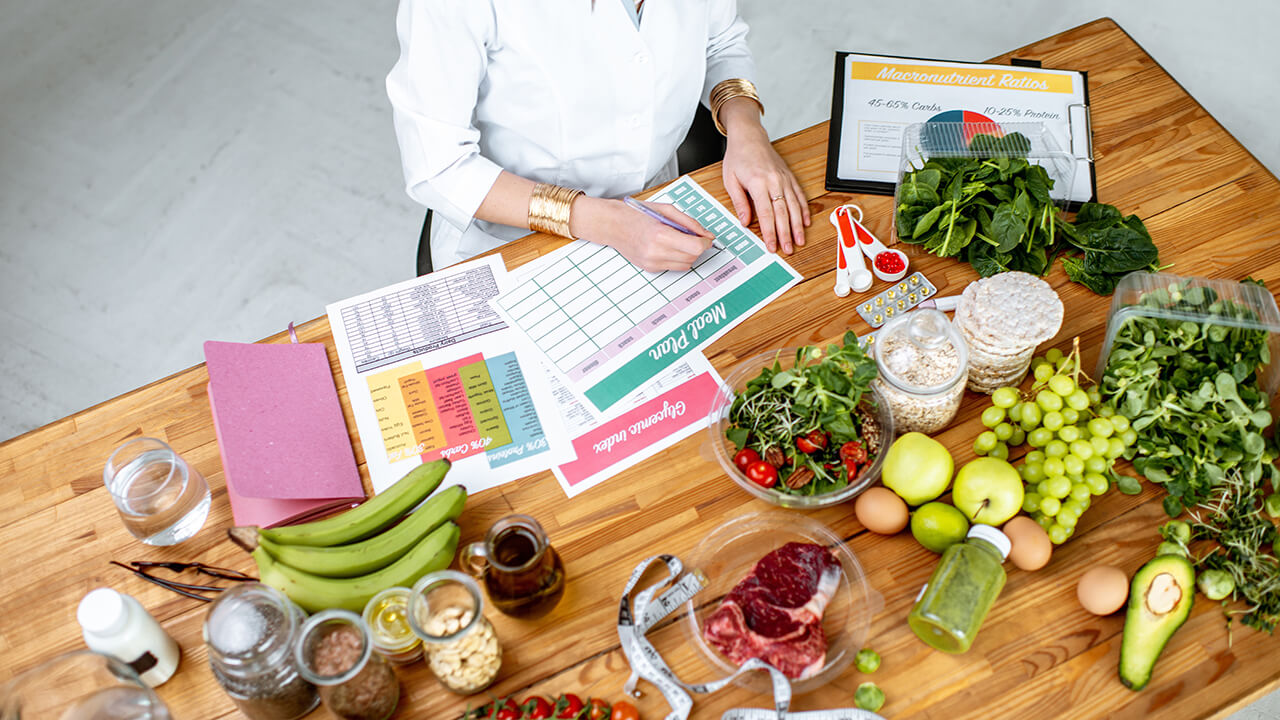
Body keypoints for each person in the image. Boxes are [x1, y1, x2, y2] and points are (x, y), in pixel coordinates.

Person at [386, 0, 810, 273]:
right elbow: (438, 165)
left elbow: (720, 41)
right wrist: (610, 223)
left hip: (657, 204)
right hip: (513, 242)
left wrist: (746, 129)